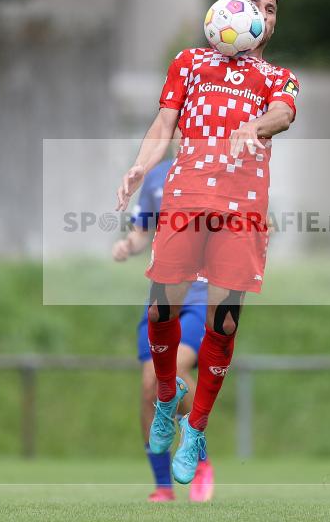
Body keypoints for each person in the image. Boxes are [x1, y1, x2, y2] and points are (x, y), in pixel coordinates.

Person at [115, 0, 299, 484]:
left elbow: (283, 114)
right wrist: (139, 166)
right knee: (160, 308)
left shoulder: (278, 77)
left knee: (224, 325)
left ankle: (195, 429)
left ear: (270, 24)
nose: (259, 14)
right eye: (251, 4)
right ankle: (169, 396)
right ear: (227, 12)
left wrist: (254, 126)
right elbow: (163, 123)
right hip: (186, 198)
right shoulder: (188, 62)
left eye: (270, 9)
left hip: (241, 210)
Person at [111, 155, 215, 502]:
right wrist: (129, 245)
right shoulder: (157, 176)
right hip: (163, 291)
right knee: (147, 387)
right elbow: (143, 229)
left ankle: (197, 452)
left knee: (179, 367)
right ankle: (163, 485)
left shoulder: (220, 170)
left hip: (202, 292)